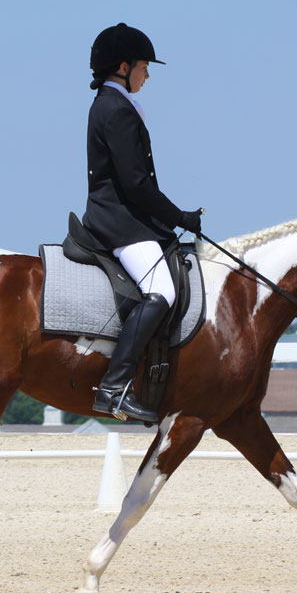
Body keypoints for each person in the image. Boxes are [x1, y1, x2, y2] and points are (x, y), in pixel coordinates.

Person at [83, 22, 203, 423]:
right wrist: (179, 217)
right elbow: (135, 185)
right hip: (119, 222)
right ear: (123, 66)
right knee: (162, 291)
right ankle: (114, 389)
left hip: (129, 219)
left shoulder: (113, 104)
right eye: (144, 66)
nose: (148, 74)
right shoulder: (116, 110)